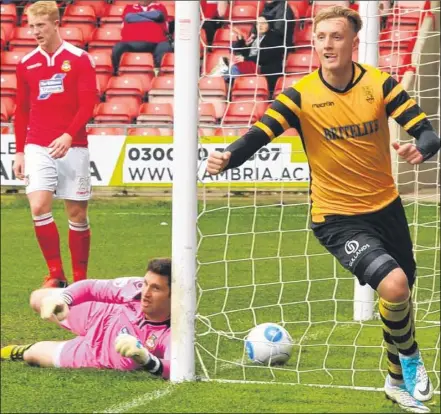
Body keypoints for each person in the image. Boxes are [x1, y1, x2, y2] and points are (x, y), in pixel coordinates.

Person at [206, 5, 439, 413]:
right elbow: (259, 133)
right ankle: (412, 359)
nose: (327, 45)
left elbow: (426, 130)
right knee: (395, 285)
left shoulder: (380, 85)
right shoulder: (300, 96)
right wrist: (228, 155)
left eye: (336, 36)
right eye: (320, 37)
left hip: (386, 209)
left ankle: (394, 378)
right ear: (312, 42)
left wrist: (420, 146)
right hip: (336, 218)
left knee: (398, 299)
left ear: (353, 42)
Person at [13, 1, 98, 288]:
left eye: (40, 25)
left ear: (56, 23)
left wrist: (68, 134)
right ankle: (55, 274)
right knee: (38, 206)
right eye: (31, 26)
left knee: (77, 214)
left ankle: (80, 281)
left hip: (74, 144)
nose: (35, 31)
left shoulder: (79, 58)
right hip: (38, 144)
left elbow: (89, 102)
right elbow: (21, 110)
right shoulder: (26, 63)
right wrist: (20, 151)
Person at [1, 258, 171, 379]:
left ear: (174, 295)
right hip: (97, 314)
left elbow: (175, 368)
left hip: (95, 354)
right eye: (146, 284)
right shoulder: (134, 287)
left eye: (155, 288)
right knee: (38, 298)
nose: (145, 293)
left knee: (34, 354)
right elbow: (90, 287)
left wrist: (146, 359)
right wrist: (63, 300)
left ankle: (16, 350)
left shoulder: (173, 331)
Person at [111, 0, 173, 75]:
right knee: (118, 47)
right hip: (130, 43)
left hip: (156, 42)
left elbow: (158, 15)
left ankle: (158, 74)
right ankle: (116, 72)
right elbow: (129, 17)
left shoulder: (160, 6)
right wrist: (152, 19)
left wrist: (136, 16)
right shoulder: (129, 7)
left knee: (165, 46)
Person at [231, 15, 285, 96]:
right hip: (254, 65)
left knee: (234, 68)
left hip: (266, 69)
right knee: (228, 65)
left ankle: (232, 91)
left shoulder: (274, 37)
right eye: (258, 24)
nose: (260, 26)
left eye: (263, 23)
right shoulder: (256, 38)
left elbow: (266, 57)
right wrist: (240, 39)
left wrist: (245, 59)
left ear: (269, 24)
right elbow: (241, 52)